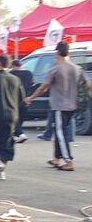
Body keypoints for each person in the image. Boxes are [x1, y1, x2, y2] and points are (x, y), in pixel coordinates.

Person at [26, 41, 81, 170]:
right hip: (73, 105)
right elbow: (87, 84)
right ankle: (56, 158)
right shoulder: (77, 68)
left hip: (60, 106)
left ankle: (68, 161)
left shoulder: (55, 69)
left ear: (57, 53)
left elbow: (43, 87)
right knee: (59, 132)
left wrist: (31, 98)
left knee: (60, 133)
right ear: (69, 53)